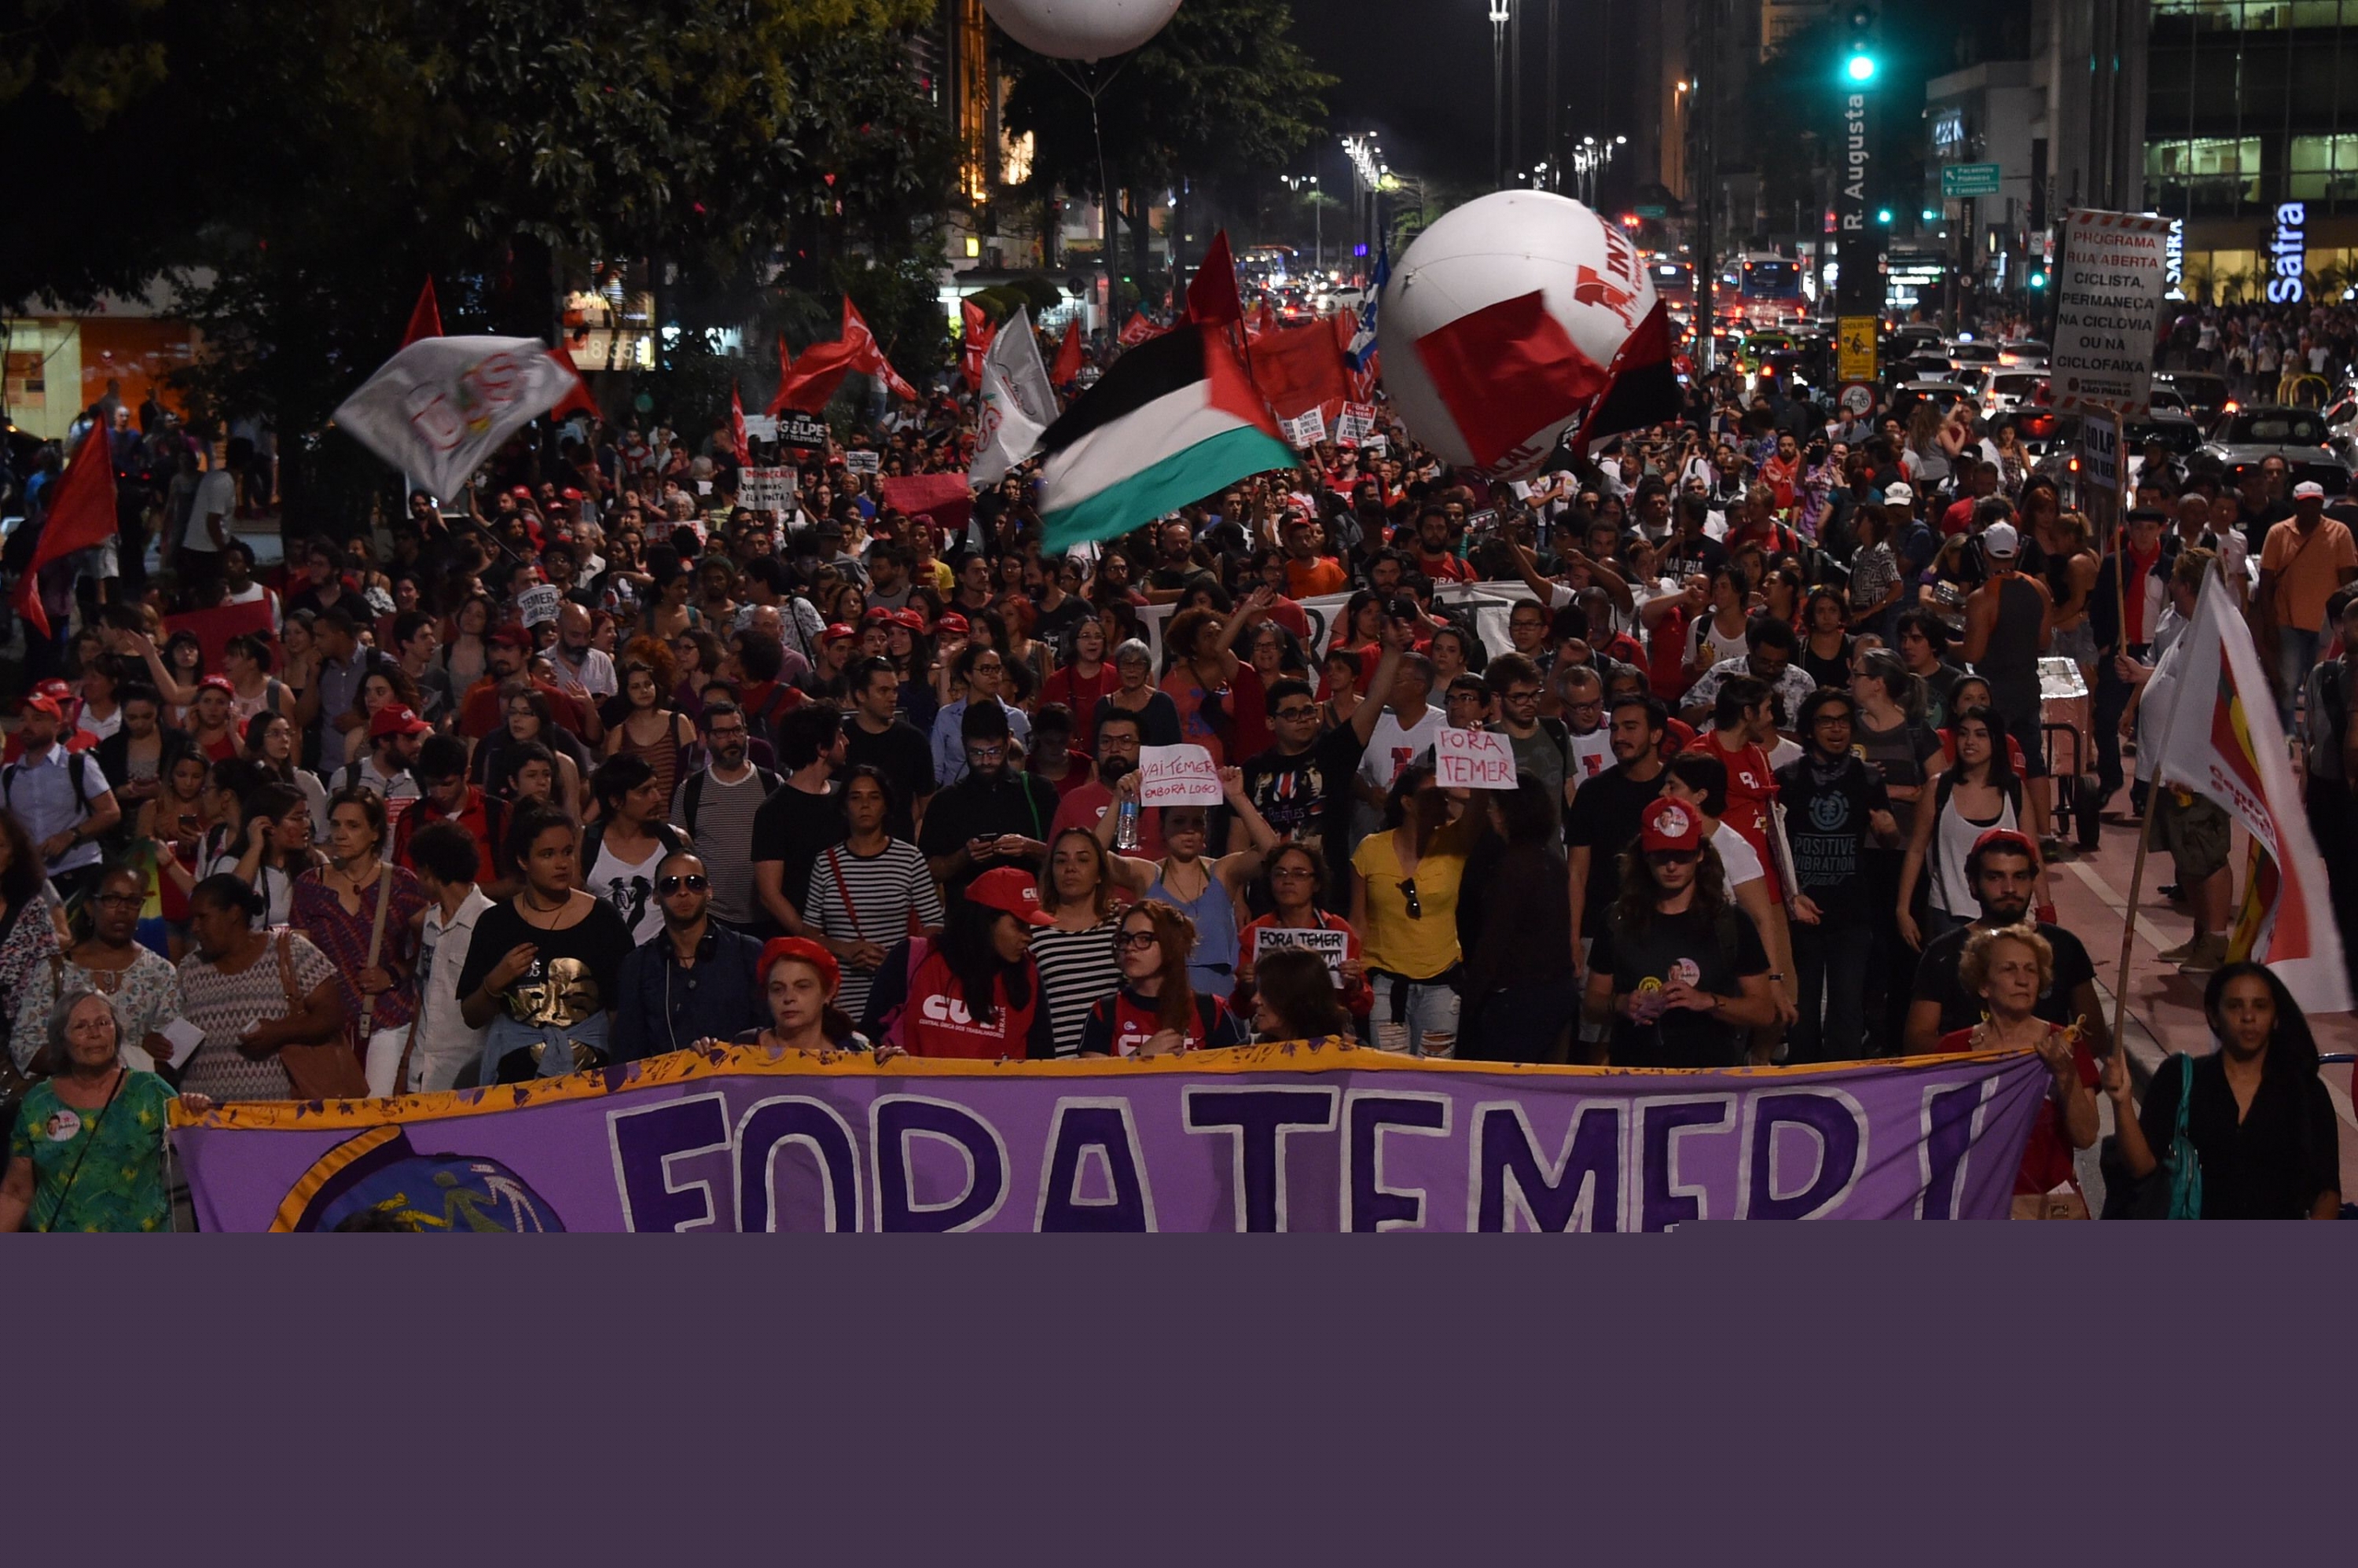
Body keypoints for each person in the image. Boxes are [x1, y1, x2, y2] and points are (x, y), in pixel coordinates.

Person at [2103, 962, 2341, 1219]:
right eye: (2235, 1006)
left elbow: (2326, 1192)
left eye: (2260, 1006)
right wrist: (2121, 1101)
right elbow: (2142, 1167)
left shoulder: (2305, 1090)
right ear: (2214, 1016)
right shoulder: (2179, 1078)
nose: (2248, 1017)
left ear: (2275, 1018)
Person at [1582, 797, 1776, 1068]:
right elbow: (1592, 1004)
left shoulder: (1731, 922)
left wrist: (1707, 1002)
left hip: (1711, 1078)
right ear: (1645, 856)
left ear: (1700, 854)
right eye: (1662, 855)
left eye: (1682, 855)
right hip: (1635, 1075)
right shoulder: (1618, 919)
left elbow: (1764, 1012)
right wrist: (1622, 1004)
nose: (1672, 866)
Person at [0, 989, 210, 1232]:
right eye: (80, 1026)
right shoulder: (38, 1103)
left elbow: (205, 1156)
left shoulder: (149, 1090)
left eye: (103, 1023)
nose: (95, 1033)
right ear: (61, 1039)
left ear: (116, 1031)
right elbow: (16, 1192)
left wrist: (198, 1108)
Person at [456, 807, 637, 1082]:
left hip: (593, 1079)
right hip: (515, 1081)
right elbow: (471, 1017)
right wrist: (495, 982)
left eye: (568, 852)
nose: (562, 864)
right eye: (548, 854)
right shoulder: (496, 923)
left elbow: (624, 1013)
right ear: (523, 860)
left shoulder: (603, 919)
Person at [1931, 924, 2099, 1215]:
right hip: (1974, 1205)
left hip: (2046, 1209)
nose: (2023, 980)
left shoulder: (2066, 1043)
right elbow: (1935, 1141)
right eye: (2009, 969)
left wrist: (2064, 1072)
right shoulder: (1953, 1049)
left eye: (2031, 970)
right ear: (1984, 985)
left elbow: (2085, 1136)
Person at [1904, 828, 2110, 1060]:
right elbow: (1916, 1044)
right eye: (1995, 877)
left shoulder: (2065, 946)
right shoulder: (1944, 953)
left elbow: (2095, 1038)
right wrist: (1983, 1052)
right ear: (1973, 884)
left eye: (2020, 876)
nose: (2010, 888)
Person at [1776, 689, 1900, 1064]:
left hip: (1851, 912)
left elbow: (1889, 839)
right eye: (1826, 721)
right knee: (1804, 1005)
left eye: (1843, 721)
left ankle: (1844, 1076)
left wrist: (1888, 831)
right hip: (1803, 913)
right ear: (1809, 729)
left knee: (1847, 1006)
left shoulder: (1867, 778)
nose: (1836, 729)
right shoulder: (1787, 779)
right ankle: (1800, 1076)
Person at [290, 788, 428, 1096]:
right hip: (329, 1023)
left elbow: (429, 950)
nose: (340, 834)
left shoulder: (402, 884)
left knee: (376, 1113)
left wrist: (394, 973)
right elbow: (297, 957)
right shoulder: (309, 884)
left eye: (353, 826)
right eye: (336, 824)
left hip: (388, 1018)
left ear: (375, 832)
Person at [1098, 766, 1280, 995]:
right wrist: (1118, 801)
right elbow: (1092, 857)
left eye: (1197, 822)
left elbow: (1273, 853)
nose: (1189, 830)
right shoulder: (1146, 874)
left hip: (1219, 1002)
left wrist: (1237, 797)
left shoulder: (1222, 871)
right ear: (1163, 829)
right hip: (1162, 1001)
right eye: (1179, 821)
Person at [174, 875, 346, 1103]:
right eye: (192, 919)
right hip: (207, 1116)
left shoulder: (290, 951)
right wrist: (161, 1048)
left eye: (203, 917)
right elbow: (175, 1037)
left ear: (234, 913)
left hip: (280, 1115)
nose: (194, 927)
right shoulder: (190, 968)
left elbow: (332, 1015)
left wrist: (280, 1031)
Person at [1350, 762, 1482, 1058]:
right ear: (1407, 803)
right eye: (1432, 794)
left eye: (1443, 795)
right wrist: (1351, 972)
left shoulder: (1454, 842)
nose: (1441, 800)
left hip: (1441, 984)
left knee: (1434, 1074)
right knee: (1391, 1073)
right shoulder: (1371, 849)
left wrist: (1459, 783)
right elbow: (1358, 920)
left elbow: (1479, 804)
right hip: (1386, 983)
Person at [860, 866, 1056, 1059]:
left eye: (1029, 926)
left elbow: (1044, 1067)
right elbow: (866, 1040)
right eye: (1020, 925)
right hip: (909, 1082)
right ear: (986, 920)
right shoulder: (913, 957)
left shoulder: (1028, 976)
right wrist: (881, 1055)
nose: (1029, 937)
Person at [800, 766, 943, 1021]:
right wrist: (844, 949)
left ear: (886, 806)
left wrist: (897, 959)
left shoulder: (909, 859)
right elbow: (809, 931)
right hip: (841, 996)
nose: (865, 805)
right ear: (844, 807)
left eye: (874, 797)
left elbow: (934, 924)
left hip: (895, 992)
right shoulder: (826, 862)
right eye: (856, 797)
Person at [11, 861, 178, 1078]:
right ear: (90, 906)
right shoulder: (56, 969)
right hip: (67, 1095)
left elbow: (172, 1058)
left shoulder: (160, 973)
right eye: (111, 899)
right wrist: (85, 1057)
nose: (123, 909)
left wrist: (159, 1050)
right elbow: (25, 1046)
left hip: (136, 1094)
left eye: (133, 901)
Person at [1897, 706, 2040, 950]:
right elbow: (1916, 850)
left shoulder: (2014, 790)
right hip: (1948, 915)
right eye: (1963, 734)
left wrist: (2045, 906)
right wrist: (1903, 909)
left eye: (1980, 734)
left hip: (2005, 910)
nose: (1970, 742)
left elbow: (2033, 852)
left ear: (1996, 741)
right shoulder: (1938, 788)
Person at [1460, 772, 1575, 1063]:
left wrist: (1470, 1000)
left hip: (1518, 1004)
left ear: (1507, 814)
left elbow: (1494, 940)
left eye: (1494, 807)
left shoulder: (1512, 867)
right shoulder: (1553, 861)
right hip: (1557, 996)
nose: (1489, 814)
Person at [611, 848, 765, 1060]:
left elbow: (768, 1035)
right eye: (671, 885)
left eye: (694, 883)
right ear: (655, 897)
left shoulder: (747, 952)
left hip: (739, 1076)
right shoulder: (637, 965)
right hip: (666, 1080)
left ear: (709, 891)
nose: (683, 892)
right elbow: (628, 1050)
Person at [1566, 694, 1672, 995]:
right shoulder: (1592, 792)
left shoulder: (1676, 789)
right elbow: (1577, 873)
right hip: (1600, 933)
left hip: (1663, 931)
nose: (1619, 737)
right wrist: (1573, 938)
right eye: (1614, 729)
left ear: (1656, 734)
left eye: (1630, 727)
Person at [916, 700, 1059, 899]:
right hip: (969, 912)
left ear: (1008, 741)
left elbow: (1064, 856)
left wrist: (1029, 847)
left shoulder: (1039, 791)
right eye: (976, 753)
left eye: (994, 752)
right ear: (964, 745)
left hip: (1029, 907)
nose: (986, 761)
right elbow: (928, 871)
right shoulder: (946, 801)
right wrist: (964, 856)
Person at [2, 688, 123, 909]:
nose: (27, 725)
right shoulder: (8, 775)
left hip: (78, 870)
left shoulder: (78, 764)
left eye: (37, 719)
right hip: (33, 878)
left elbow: (111, 812)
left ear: (57, 725)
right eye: (23, 719)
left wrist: (71, 835)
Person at [2256, 479, 2358, 734]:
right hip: (2287, 622)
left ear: (2322, 505)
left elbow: (2348, 583)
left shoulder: (2340, 533)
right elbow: (2266, 583)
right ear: (2295, 505)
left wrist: (2345, 624)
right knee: (2288, 684)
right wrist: (2268, 623)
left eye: (2315, 504)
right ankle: (2287, 735)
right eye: (2305, 504)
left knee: (2323, 684)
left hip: (2326, 626)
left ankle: (2314, 735)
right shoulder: (2278, 533)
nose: (2310, 509)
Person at [1079, 900, 1247, 1056]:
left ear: (1172, 944)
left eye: (1144, 939)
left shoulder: (1211, 1010)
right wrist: (1141, 1057)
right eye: (1124, 939)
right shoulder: (1105, 1011)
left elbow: (1232, 1074)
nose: (1130, 947)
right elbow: (1092, 1078)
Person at [1958, 520, 2052, 789]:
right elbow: (2044, 642)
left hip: (1994, 692)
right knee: (2032, 762)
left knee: (1993, 762)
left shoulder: (1982, 597)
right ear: (2016, 551)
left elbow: (1973, 653)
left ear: (1985, 553)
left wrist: (1947, 645)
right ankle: (2041, 818)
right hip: (2027, 687)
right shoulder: (2039, 590)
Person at [403, 819, 494, 1092]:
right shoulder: (430, 921)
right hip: (422, 1071)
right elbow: (423, 995)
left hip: (468, 1074)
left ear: (428, 872)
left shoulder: (489, 922)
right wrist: (406, 1064)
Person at [673, 700, 778, 934]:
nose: (732, 739)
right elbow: (680, 853)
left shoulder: (772, 784)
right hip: (714, 916)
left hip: (770, 915)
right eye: (722, 733)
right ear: (706, 738)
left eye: (737, 731)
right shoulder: (690, 791)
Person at [1235, 842, 1367, 1026]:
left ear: (1316, 883)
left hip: (1327, 1031)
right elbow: (1240, 1010)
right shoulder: (1254, 933)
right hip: (1273, 1033)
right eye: (1279, 873)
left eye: (1299, 874)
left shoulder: (1338, 929)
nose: (1288, 880)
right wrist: (1246, 987)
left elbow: (1364, 1006)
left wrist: (1354, 984)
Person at [751, 704, 851, 938]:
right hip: (801, 945)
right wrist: (814, 939)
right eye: (840, 735)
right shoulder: (774, 811)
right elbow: (770, 894)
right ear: (821, 748)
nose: (847, 742)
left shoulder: (845, 797)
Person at [1030, 828, 1126, 1058]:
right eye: (1061, 861)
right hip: (1056, 1064)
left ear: (1100, 873)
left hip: (1113, 1063)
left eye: (1082, 860)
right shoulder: (1032, 929)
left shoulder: (1122, 925)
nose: (1070, 868)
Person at [578, 754, 686, 946]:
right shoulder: (585, 842)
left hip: (665, 955)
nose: (657, 798)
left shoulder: (675, 840)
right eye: (644, 791)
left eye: (655, 788)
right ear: (616, 801)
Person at [714, 937, 868, 1054]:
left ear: (828, 993)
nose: (788, 998)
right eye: (777, 989)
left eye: (802, 987)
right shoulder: (744, 1045)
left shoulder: (856, 1049)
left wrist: (882, 1068)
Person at [0, 810, 67, 1077]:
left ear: (12, 856)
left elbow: (50, 977)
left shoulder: (32, 912)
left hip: (21, 1045)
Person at [839, 655, 935, 839]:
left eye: (895, 690)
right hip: (849, 844)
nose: (893, 698)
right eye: (883, 691)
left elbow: (927, 803)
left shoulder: (914, 740)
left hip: (901, 845)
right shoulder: (841, 739)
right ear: (861, 695)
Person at [603, 657, 696, 810]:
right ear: (626, 692)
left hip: (680, 813)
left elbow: (695, 770)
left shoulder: (678, 721)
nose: (644, 691)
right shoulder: (620, 733)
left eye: (648, 684)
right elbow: (612, 782)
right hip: (639, 816)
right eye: (635, 687)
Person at [1247, 947, 1353, 1042]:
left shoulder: (1354, 1054)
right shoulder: (1245, 1052)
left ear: (1298, 995)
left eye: (1266, 992)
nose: (1255, 1000)